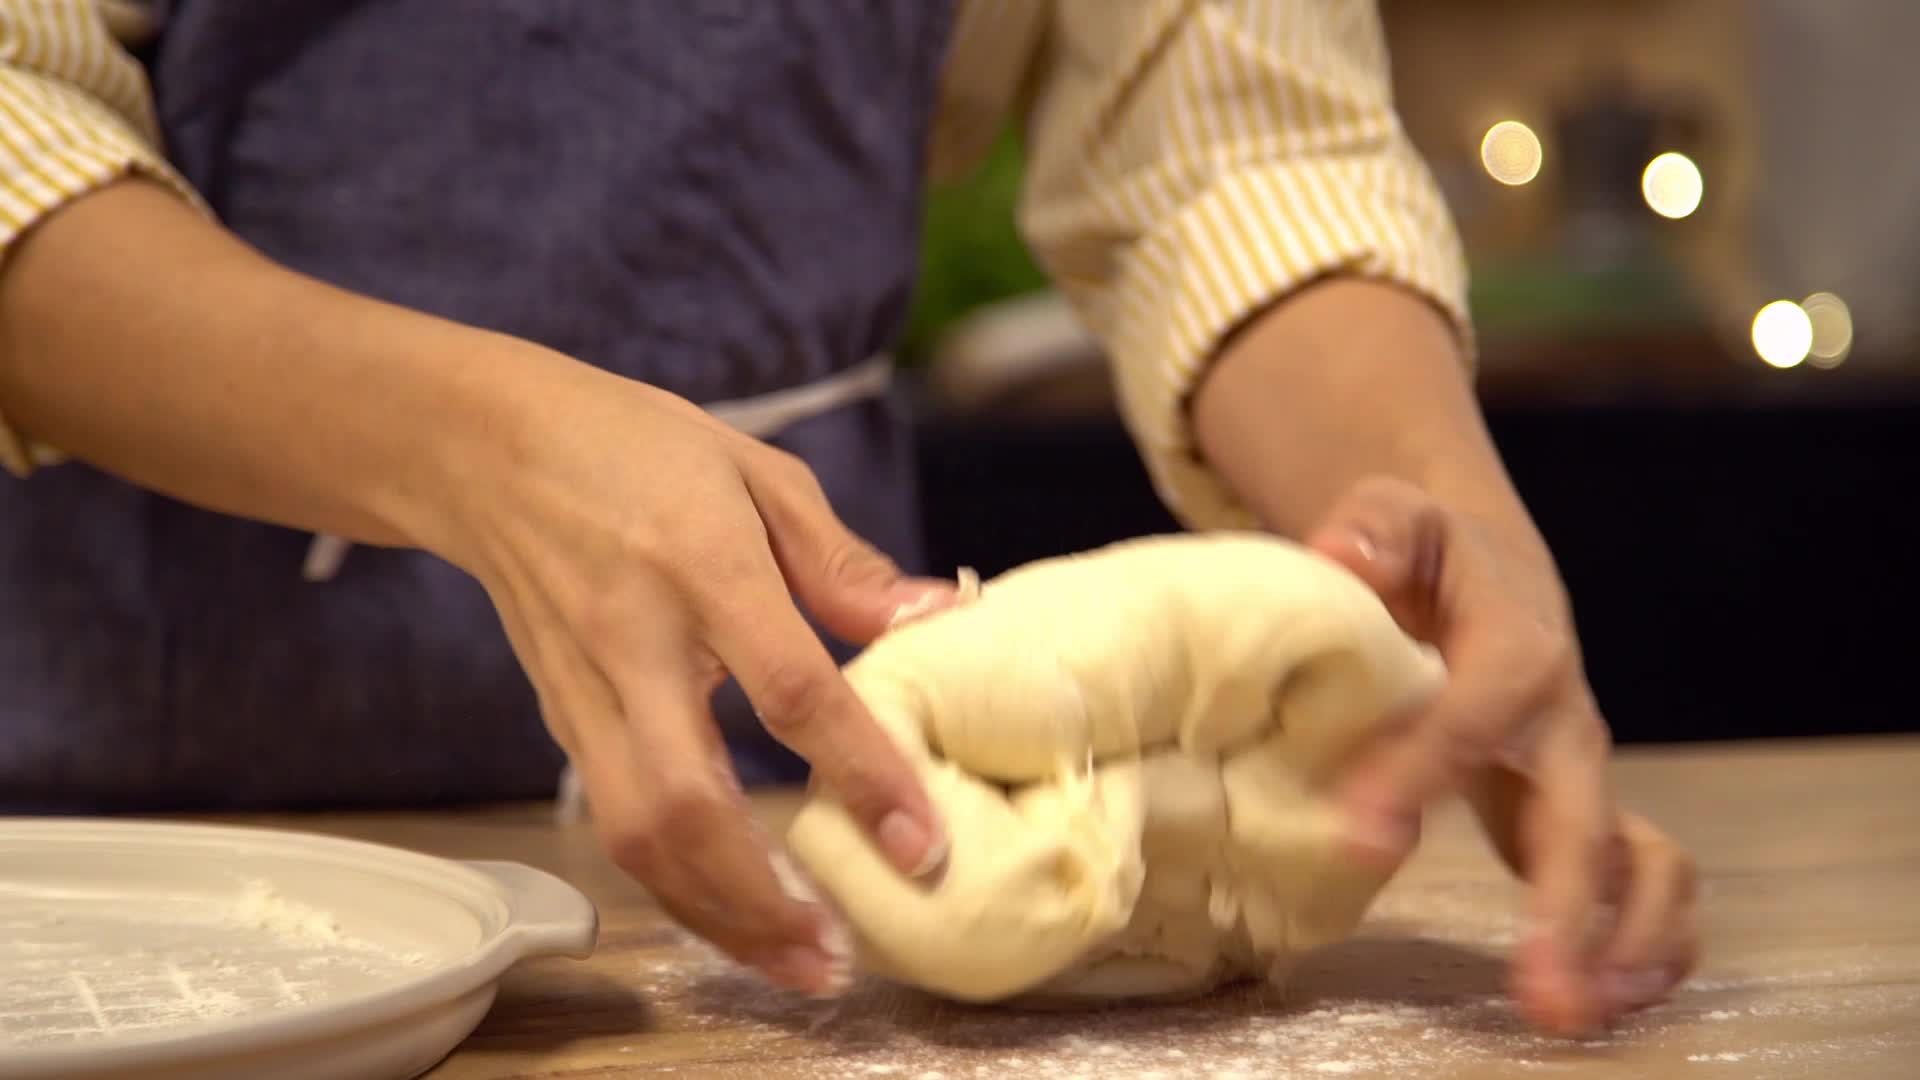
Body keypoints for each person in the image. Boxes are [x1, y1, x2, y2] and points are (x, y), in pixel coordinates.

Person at [0, 0, 1695, 1034]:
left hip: (798, 728)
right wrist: (476, 447)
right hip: (131, 841)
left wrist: (1437, 517)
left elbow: (1231, 136)